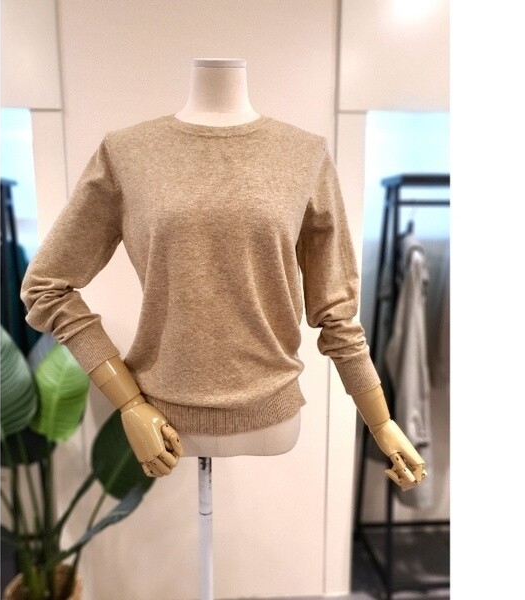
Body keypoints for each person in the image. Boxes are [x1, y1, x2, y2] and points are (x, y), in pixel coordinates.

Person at [21, 57, 426, 490]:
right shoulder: (126, 153)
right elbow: (46, 287)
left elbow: (337, 312)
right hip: (164, 420)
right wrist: (130, 402)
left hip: (272, 421)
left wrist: (381, 422)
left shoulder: (305, 155)